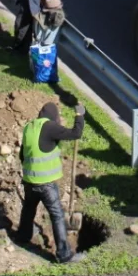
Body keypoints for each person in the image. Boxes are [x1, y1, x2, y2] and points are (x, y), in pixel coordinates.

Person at [14, 101, 87, 263]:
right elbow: (76, 134)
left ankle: (23, 236)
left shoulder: (29, 127)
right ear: (53, 117)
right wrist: (79, 115)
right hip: (45, 183)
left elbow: (22, 155)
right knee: (57, 215)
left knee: (28, 208)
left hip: (29, 180)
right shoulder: (49, 127)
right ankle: (64, 254)